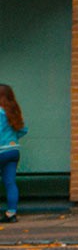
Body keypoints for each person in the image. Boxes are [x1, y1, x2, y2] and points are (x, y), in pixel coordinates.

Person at [0, 84, 24, 223]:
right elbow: (23, 129)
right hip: (13, 150)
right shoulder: (14, 111)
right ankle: (11, 214)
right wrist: (12, 138)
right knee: (10, 183)